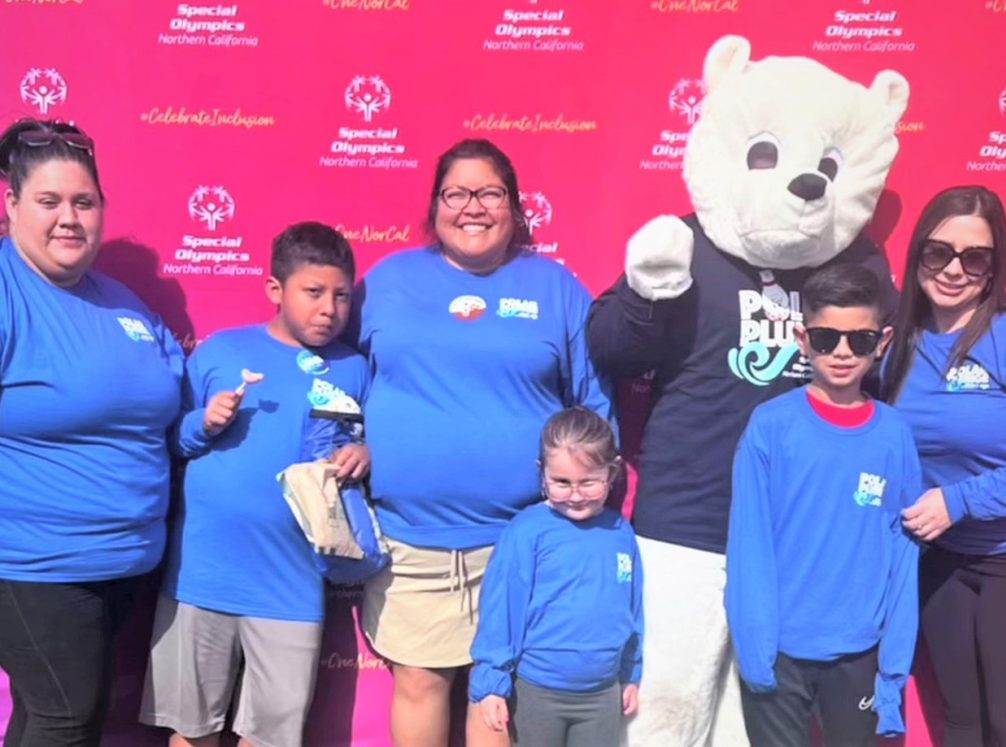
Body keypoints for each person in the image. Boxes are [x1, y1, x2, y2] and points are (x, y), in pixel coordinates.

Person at [355, 138, 613, 747]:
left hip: (522, 539)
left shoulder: (554, 288)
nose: (473, 207)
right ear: (435, 205)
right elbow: (343, 382)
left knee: (495, 696)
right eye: (456, 193)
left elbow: (594, 405)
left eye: (490, 193)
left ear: (516, 208)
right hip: (410, 539)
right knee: (417, 681)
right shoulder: (387, 283)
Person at [140, 222, 370, 747]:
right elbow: (169, 440)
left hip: (292, 583)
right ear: (275, 290)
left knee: (271, 738)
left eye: (340, 295)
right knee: (192, 732)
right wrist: (204, 423)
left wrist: (365, 453)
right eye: (313, 293)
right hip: (203, 573)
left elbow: (373, 440)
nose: (329, 309)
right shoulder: (220, 352)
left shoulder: (355, 368)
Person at [0, 117, 184, 745]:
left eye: (84, 202)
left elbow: (174, 392)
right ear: (11, 202)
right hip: (33, 563)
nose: (69, 219)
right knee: (66, 718)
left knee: (46, 715)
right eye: (49, 201)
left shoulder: (122, 302)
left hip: (118, 563)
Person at [726, 263, 920, 746]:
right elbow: (748, 546)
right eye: (826, 337)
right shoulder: (770, 426)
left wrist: (892, 672)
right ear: (802, 338)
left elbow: (903, 556)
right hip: (779, 655)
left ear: (883, 341)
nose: (841, 352)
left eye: (859, 339)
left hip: (860, 656)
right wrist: (755, 652)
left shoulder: (895, 435)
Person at [882, 185, 1006, 747]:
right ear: (918, 254)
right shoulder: (896, 343)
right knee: (958, 719)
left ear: (994, 270)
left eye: (975, 257)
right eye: (939, 252)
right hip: (937, 559)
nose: (954, 270)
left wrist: (959, 500)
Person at [470, 406, 642, 747]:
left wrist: (630, 673)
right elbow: (501, 611)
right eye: (562, 482)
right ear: (541, 473)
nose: (575, 495)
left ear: (613, 472)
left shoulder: (621, 533)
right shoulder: (527, 531)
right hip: (538, 692)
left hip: (602, 695)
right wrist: (491, 683)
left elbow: (632, 611)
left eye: (588, 482)